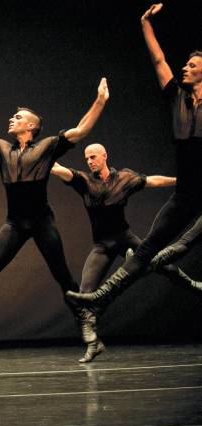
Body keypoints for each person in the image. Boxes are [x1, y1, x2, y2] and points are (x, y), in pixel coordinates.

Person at [0, 70, 109, 337]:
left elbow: (81, 130)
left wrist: (100, 101)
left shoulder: (48, 146)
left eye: (18, 117)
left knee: (62, 274)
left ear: (31, 126)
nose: (11, 119)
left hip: (41, 222)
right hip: (14, 223)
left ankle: (85, 321)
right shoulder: (2, 147)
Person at [67, 3, 202, 313]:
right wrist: (144, 23)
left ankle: (182, 261)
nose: (186, 68)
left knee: (178, 246)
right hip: (185, 194)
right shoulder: (177, 97)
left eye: (193, 65)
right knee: (148, 247)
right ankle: (102, 296)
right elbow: (158, 58)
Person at [51, 144, 197, 362]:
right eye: (86, 158)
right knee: (85, 293)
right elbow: (59, 169)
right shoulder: (84, 181)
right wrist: (40, 156)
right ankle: (94, 344)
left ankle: (193, 285)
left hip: (125, 239)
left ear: (104, 156)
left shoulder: (125, 179)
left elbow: (152, 181)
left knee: (162, 266)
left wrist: (181, 182)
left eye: (93, 157)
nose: (89, 161)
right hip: (102, 246)